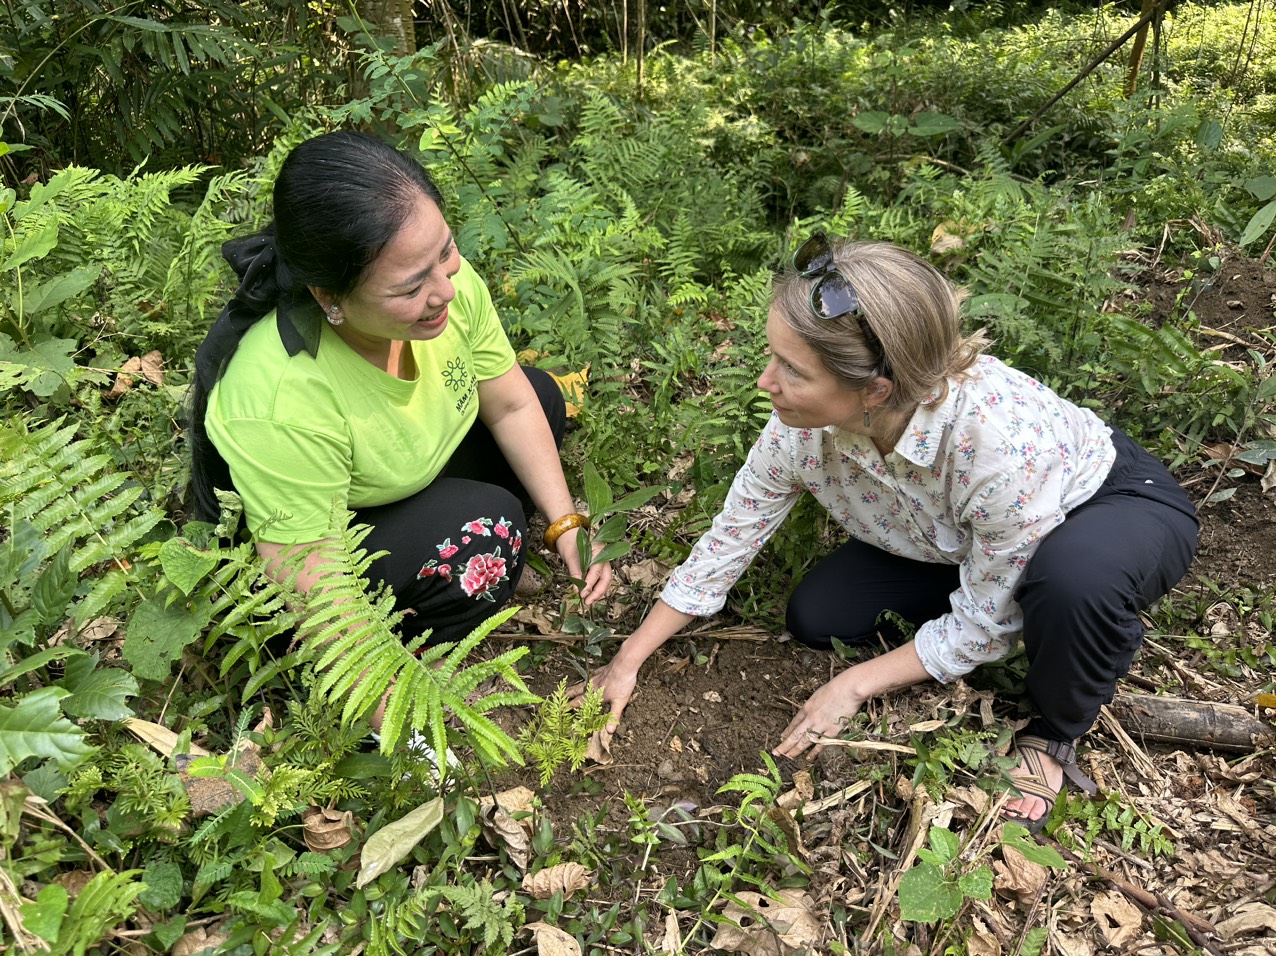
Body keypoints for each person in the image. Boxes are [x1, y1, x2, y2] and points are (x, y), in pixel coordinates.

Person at [572, 234, 1197, 831]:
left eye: (790, 370)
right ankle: (1004, 583)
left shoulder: (994, 444)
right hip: (954, 534)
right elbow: (731, 536)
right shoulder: (800, 429)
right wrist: (629, 659)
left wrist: (854, 685)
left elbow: (985, 626)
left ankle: (1058, 728)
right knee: (818, 615)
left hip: (1105, 502)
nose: (765, 382)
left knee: (1070, 585)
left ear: (875, 389)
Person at [188, 130, 610, 662]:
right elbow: (307, 579)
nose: (447, 291)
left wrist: (567, 526)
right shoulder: (281, 393)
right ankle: (418, 631)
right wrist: (393, 713)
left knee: (541, 394)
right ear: (329, 297)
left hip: (399, 470)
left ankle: (457, 528)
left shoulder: (443, 286)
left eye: (447, 251)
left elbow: (511, 403)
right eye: (411, 288)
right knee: (493, 526)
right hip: (325, 541)